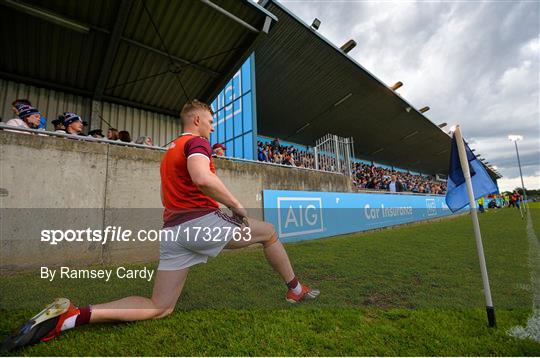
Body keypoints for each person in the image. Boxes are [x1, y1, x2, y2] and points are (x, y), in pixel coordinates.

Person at [1, 99, 319, 352]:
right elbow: (202, 177)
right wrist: (235, 204)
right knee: (270, 233)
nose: (212, 126)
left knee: (160, 306)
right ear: (196, 120)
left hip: (173, 233)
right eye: (210, 120)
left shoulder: (169, 150)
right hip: (200, 223)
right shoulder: (196, 143)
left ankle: (72, 317)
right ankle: (295, 290)